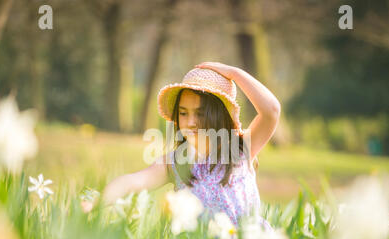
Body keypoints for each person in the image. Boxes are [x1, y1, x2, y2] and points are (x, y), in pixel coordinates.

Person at [82, 62, 281, 228]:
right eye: (184, 113)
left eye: (201, 113)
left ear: (219, 115)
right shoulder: (176, 163)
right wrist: (98, 202)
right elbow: (133, 181)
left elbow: (271, 110)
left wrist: (233, 73)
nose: (191, 122)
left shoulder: (240, 149)